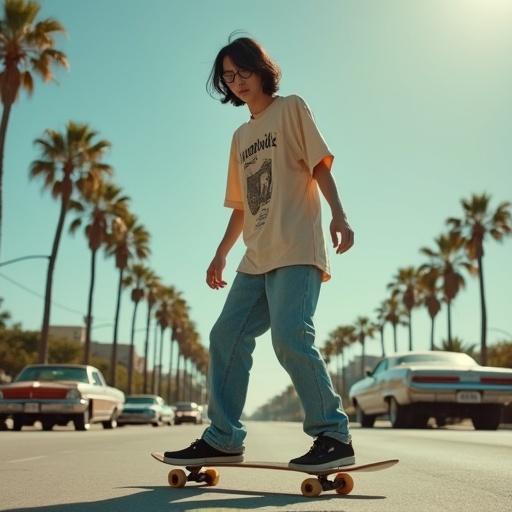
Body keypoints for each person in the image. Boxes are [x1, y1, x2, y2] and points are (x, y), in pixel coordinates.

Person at [164, 35, 355, 472]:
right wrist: (220, 254)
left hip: (296, 249)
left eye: (243, 72)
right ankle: (223, 438)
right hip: (255, 257)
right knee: (225, 336)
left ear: (261, 68)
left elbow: (321, 166)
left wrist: (339, 216)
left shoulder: (291, 108)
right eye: (228, 77)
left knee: (290, 338)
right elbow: (242, 206)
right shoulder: (240, 135)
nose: (237, 83)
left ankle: (332, 434)